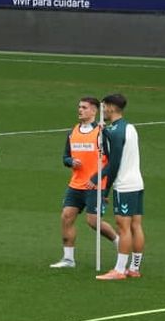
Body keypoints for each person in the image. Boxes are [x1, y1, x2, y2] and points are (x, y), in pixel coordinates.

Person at [51, 98, 119, 270]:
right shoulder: (72, 132)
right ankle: (68, 259)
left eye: (84, 107)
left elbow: (112, 163)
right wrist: (70, 161)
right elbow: (65, 157)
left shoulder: (102, 133)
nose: (80, 110)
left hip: (96, 186)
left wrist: (105, 190)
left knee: (93, 221)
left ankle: (120, 243)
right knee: (66, 217)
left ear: (94, 111)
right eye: (79, 107)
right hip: (76, 184)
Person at [98, 93, 144, 280]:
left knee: (123, 227)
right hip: (137, 183)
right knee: (136, 226)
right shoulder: (130, 127)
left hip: (124, 185)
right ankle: (134, 268)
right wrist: (106, 133)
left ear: (110, 107)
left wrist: (105, 190)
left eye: (103, 107)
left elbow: (114, 163)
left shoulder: (115, 132)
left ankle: (119, 270)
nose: (102, 111)